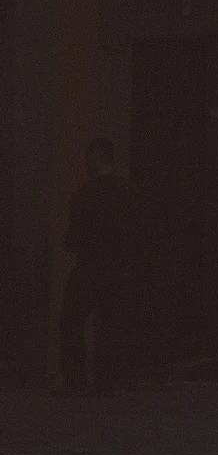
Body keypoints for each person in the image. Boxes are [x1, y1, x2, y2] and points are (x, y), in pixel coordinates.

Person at [60, 137, 137, 396]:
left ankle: (76, 381)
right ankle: (108, 382)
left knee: (72, 321)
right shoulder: (127, 192)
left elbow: (72, 239)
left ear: (93, 157)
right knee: (112, 325)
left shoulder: (83, 195)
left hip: (90, 267)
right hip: (118, 268)